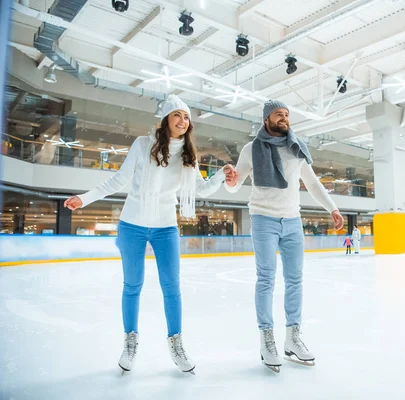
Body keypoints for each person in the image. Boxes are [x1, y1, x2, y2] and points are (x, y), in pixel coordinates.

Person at [63, 95, 236, 375]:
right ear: (166, 118)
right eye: (177, 115)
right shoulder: (144, 145)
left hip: (165, 226)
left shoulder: (189, 156)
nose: (183, 120)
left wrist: (220, 176)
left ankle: (177, 343)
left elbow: (201, 190)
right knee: (132, 285)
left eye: (187, 116)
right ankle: (130, 342)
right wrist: (86, 198)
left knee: (172, 287)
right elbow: (119, 179)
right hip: (132, 224)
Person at [224, 100, 344, 373]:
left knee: (295, 280)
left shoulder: (295, 148)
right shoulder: (251, 149)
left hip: (292, 221)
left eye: (287, 114)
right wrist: (230, 180)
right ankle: (267, 339)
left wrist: (333, 208)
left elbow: (312, 183)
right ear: (267, 119)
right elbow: (234, 186)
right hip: (263, 219)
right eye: (279, 114)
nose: (284, 118)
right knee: (266, 278)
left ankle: (293, 337)